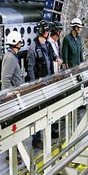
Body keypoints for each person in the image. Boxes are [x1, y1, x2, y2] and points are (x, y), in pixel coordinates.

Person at [27, 20, 62, 148]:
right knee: (39, 112)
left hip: (49, 82)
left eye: (48, 30)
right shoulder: (33, 48)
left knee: (50, 107)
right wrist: (33, 86)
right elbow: (30, 68)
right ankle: (36, 139)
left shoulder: (47, 44)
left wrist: (57, 59)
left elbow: (53, 55)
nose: (48, 32)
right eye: (46, 30)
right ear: (41, 31)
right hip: (39, 85)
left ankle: (52, 131)